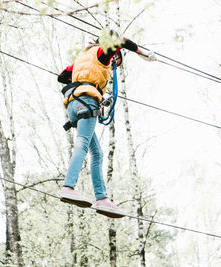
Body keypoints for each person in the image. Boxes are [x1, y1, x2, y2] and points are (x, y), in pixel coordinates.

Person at [58, 33, 156, 218]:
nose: (115, 63)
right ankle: (68, 186)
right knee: (82, 144)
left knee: (97, 153)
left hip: (73, 104)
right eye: (117, 60)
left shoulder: (82, 57)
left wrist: (87, 82)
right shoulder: (102, 54)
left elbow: (62, 77)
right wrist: (142, 53)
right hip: (86, 101)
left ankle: (102, 199)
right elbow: (121, 40)